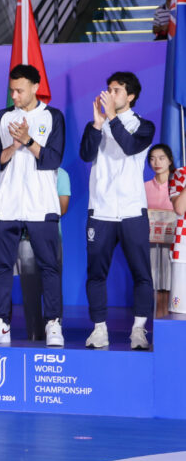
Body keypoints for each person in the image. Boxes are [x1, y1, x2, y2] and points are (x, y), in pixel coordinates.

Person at [0, 64, 65, 346]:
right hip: (6, 204)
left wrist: (28, 140)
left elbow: (53, 160)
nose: (14, 96)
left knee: (49, 266)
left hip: (41, 205)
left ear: (34, 86)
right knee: (2, 267)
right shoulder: (2, 117)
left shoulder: (53, 117)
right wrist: (13, 146)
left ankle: (53, 323)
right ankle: (1, 323)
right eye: (12, 90)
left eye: (19, 90)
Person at [80, 72, 154, 350]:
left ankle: (138, 330)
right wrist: (97, 124)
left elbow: (131, 146)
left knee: (141, 274)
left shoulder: (143, 125)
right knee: (96, 274)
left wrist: (111, 118)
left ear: (131, 96)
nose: (110, 94)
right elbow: (86, 155)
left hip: (133, 210)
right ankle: (99, 330)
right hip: (100, 210)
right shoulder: (99, 125)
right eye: (108, 89)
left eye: (117, 90)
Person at [146, 144, 175, 317]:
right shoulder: (144, 187)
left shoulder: (178, 186)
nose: (157, 162)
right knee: (155, 283)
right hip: (150, 243)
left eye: (161, 158)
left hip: (174, 244)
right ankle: (158, 319)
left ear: (170, 160)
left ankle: (170, 322)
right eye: (152, 158)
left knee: (172, 283)